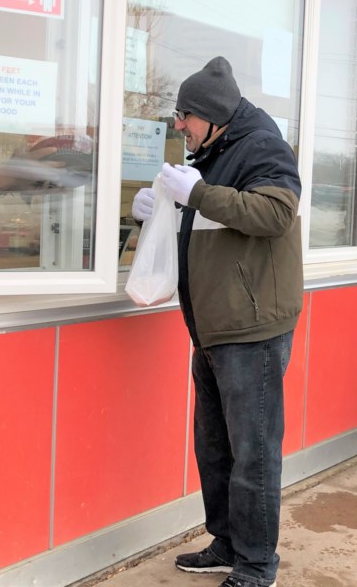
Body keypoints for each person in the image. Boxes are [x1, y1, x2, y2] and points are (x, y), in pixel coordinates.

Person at [131, 56, 302, 587]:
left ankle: (256, 566)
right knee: (216, 446)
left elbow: (274, 214)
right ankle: (227, 542)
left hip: (251, 329)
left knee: (253, 454)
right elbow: (215, 222)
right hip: (212, 326)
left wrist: (196, 195)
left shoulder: (262, 146)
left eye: (185, 115)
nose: (178, 124)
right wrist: (164, 211)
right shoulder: (213, 149)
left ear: (212, 115)